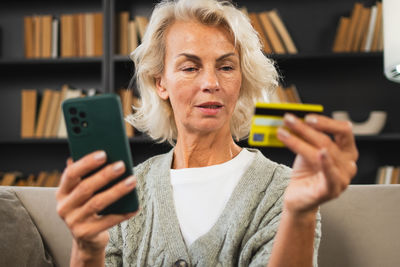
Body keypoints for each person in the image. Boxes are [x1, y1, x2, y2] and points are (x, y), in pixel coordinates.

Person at [56, 0, 359, 266]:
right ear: (160, 82)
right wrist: (86, 250)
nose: (211, 83)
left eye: (226, 67)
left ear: (242, 79)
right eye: (190, 68)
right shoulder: (124, 190)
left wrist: (300, 214)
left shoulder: (283, 189)